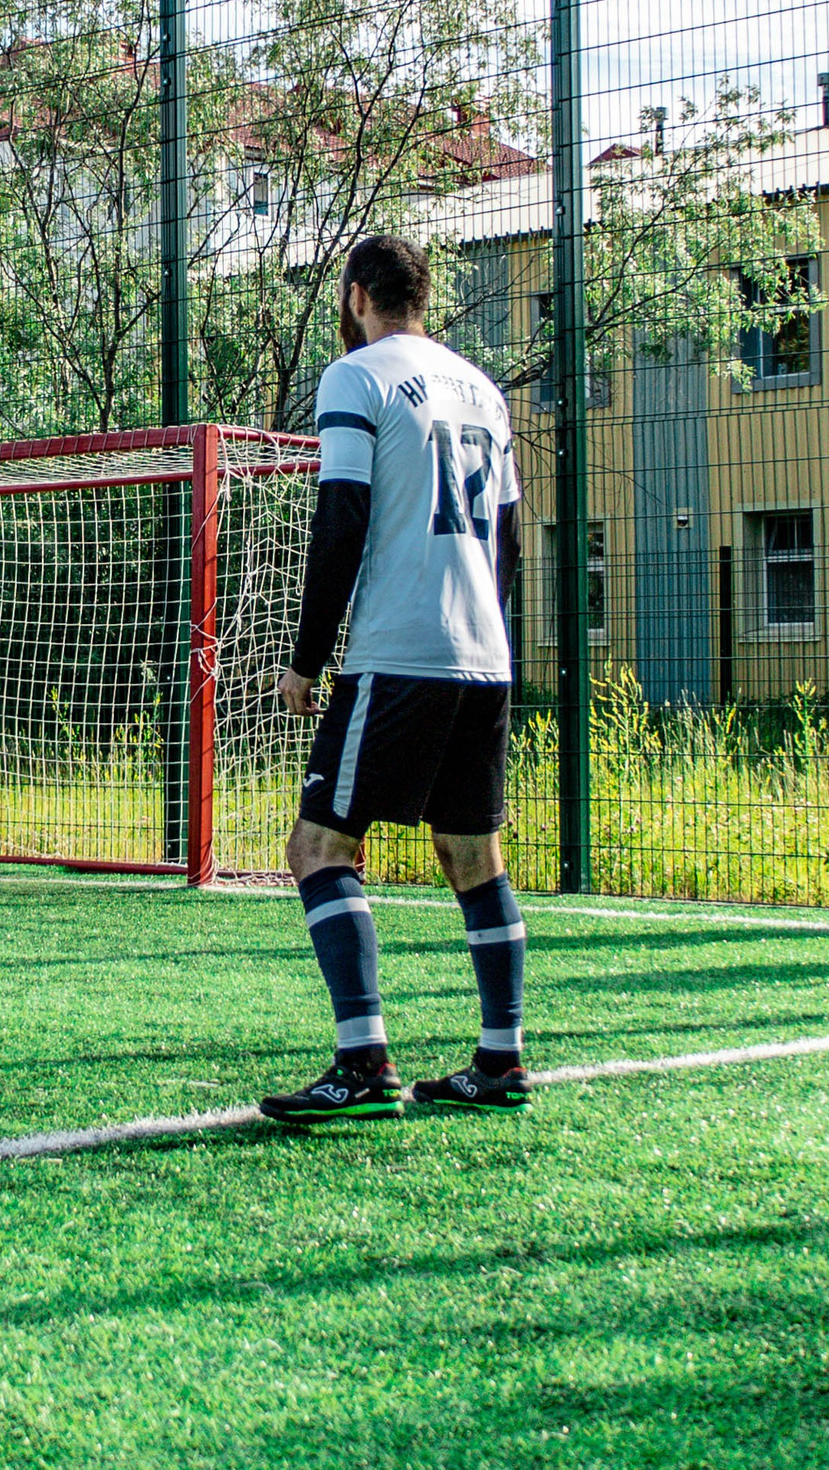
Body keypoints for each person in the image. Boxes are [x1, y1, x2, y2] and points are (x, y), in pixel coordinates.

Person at [260, 233, 529, 1125]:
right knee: (471, 853)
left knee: (318, 846)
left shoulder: (357, 376)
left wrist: (306, 659)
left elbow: (342, 518)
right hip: (484, 652)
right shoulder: (483, 389)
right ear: (427, 298)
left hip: (398, 650)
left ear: (355, 295)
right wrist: (485, 636)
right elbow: (511, 540)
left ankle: (364, 1059)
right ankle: (499, 1059)